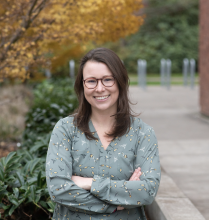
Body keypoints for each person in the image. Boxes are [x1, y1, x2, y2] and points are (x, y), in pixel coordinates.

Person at [46, 48, 161, 220]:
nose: (100, 88)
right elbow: (58, 189)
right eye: (91, 81)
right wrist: (116, 204)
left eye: (108, 79)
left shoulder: (142, 133)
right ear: (82, 85)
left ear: (120, 82)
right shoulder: (65, 129)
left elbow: (147, 192)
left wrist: (89, 183)